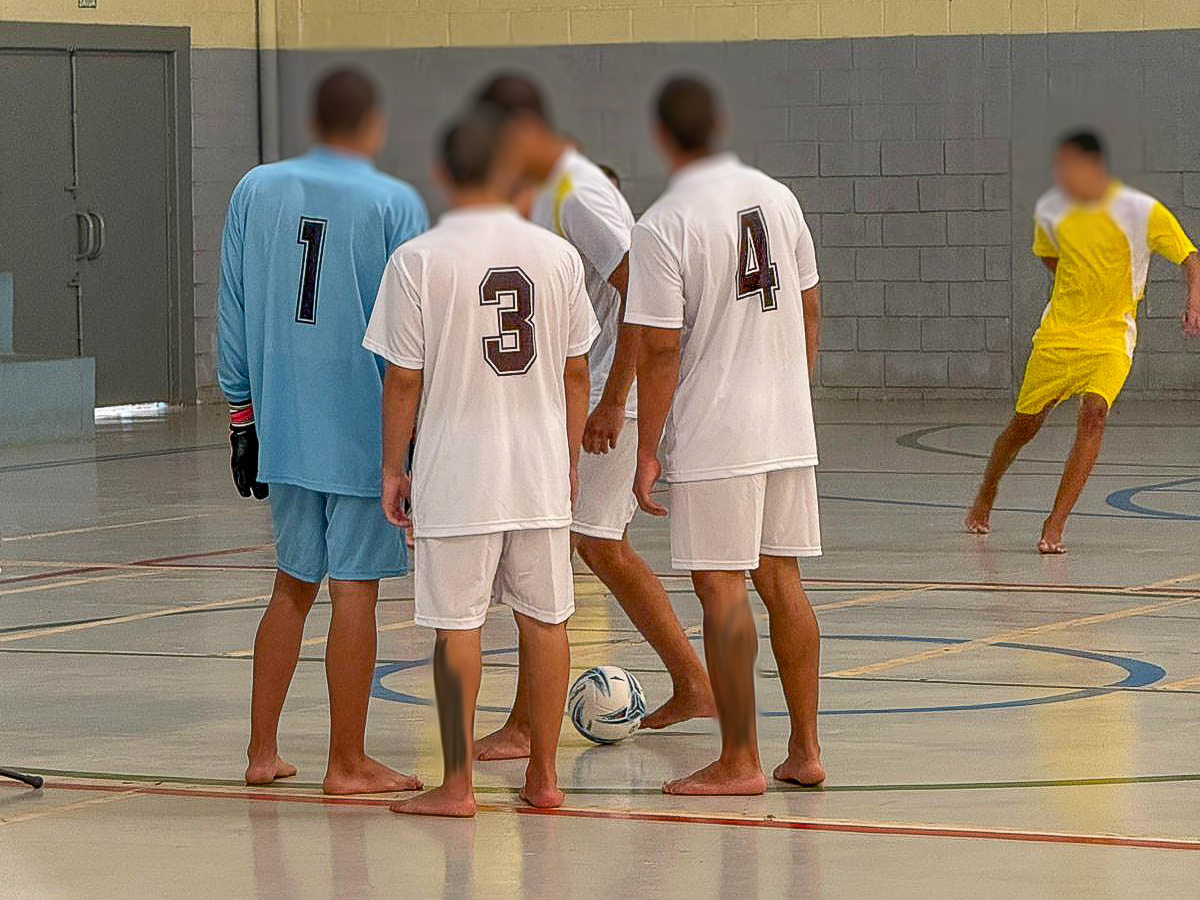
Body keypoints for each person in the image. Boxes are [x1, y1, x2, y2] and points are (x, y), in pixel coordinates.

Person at [364, 104, 599, 817]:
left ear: (441, 173)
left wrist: (392, 469)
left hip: (455, 471)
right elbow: (576, 371)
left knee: (457, 626)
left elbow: (403, 378)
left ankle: (458, 786)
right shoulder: (556, 255)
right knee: (547, 619)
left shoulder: (418, 259)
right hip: (534, 469)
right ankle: (545, 778)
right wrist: (565, 458)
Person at [472, 74, 714, 759]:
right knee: (593, 544)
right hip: (588, 388)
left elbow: (643, 285)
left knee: (565, 546)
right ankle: (692, 682)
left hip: (610, 391)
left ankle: (529, 722)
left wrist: (613, 399)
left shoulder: (574, 191)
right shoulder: (551, 190)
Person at [218, 68, 428, 794]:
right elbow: (415, 330)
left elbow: (232, 305)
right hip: (364, 427)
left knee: (291, 585)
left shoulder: (254, 188)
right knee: (356, 591)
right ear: (370, 125)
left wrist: (242, 415)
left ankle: (261, 751)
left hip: (283, 421)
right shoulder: (395, 201)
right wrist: (414, 443)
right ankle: (348, 761)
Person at [628, 76, 825, 796]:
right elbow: (809, 308)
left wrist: (648, 449)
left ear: (664, 137)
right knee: (782, 580)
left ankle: (740, 759)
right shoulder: (778, 196)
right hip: (785, 420)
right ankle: (804, 749)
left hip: (718, 428)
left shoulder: (662, 222)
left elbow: (656, 349)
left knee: (722, 589)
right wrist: (791, 393)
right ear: (720, 124)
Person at [966, 131, 1200, 553]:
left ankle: (1055, 524)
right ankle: (987, 490)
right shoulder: (1052, 209)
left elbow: (1190, 257)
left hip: (1112, 335)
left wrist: (1194, 303)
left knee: (1094, 414)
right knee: (1024, 425)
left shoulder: (1142, 212)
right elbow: (1049, 257)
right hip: (1058, 336)